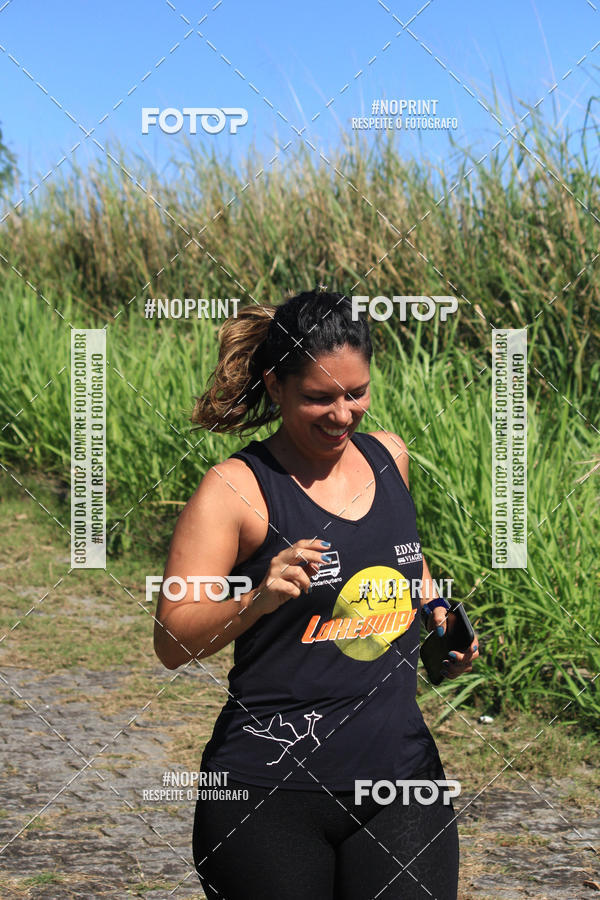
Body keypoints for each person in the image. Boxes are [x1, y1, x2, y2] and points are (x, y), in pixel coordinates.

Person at [153, 289, 479, 900]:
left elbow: (407, 567)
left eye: (356, 393)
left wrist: (438, 618)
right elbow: (172, 638)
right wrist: (257, 597)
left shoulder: (390, 458)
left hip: (400, 784)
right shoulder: (235, 488)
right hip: (267, 795)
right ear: (276, 386)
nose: (342, 414)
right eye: (319, 397)